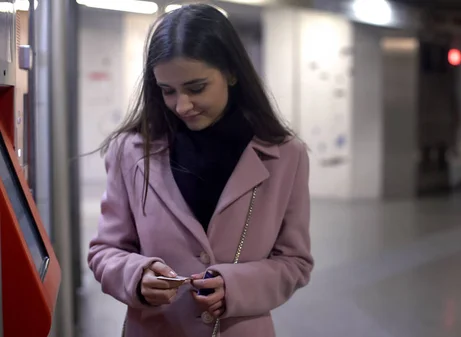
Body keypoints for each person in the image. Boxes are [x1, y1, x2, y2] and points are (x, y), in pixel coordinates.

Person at [87, 4, 313, 337]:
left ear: (232, 73)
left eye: (196, 88)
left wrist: (236, 287)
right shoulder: (130, 151)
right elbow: (105, 251)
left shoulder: (286, 155)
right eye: (167, 91)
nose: (182, 106)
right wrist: (136, 276)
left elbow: (295, 262)